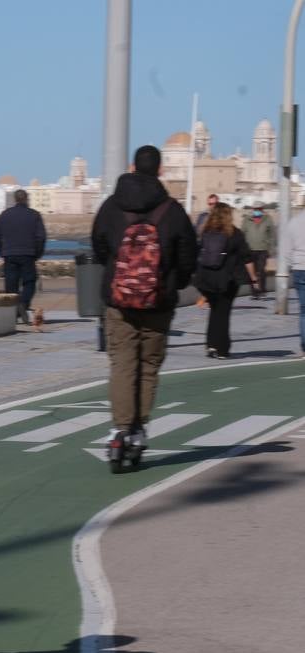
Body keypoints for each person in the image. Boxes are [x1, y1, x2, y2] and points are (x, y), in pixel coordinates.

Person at [90, 145, 197, 450]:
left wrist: (113, 269)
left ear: (132, 167)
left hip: (117, 300)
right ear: (160, 170)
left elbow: (98, 243)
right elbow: (188, 254)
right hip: (158, 300)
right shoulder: (172, 210)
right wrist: (176, 281)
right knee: (148, 365)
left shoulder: (111, 206)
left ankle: (120, 428)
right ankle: (138, 429)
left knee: (122, 365)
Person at [194, 203, 255, 359]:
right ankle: (222, 349)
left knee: (214, 312)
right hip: (227, 281)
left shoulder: (205, 232)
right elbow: (247, 257)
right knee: (223, 314)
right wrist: (254, 278)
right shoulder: (235, 234)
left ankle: (211, 346)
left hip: (206, 280)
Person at [0, 189, 47, 324]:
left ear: (15, 199)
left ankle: (14, 313)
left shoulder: (5, 215)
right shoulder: (34, 215)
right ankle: (23, 303)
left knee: (11, 286)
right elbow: (41, 237)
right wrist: (37, 253)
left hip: (9, 254)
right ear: (26, 199)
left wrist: (1, 251)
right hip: (28, 254)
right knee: (29, 283)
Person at [281, 207, 305, 357]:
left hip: (299, 269)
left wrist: (292, 265)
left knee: (304, 311)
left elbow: (285, 251)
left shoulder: (294, 222)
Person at [241, 202, 275, 298]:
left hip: (263, 249)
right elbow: (242, 233)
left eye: (259, 209)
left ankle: (262, 290)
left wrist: (271, 249)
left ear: (262, 209)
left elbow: (272, 235)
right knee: (252, 272)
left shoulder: (268, 219)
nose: (257, 210)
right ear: (253, 209)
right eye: (255, 209)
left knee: (261, 270)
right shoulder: (247, 219)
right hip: (250, 250)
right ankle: (254, 292)